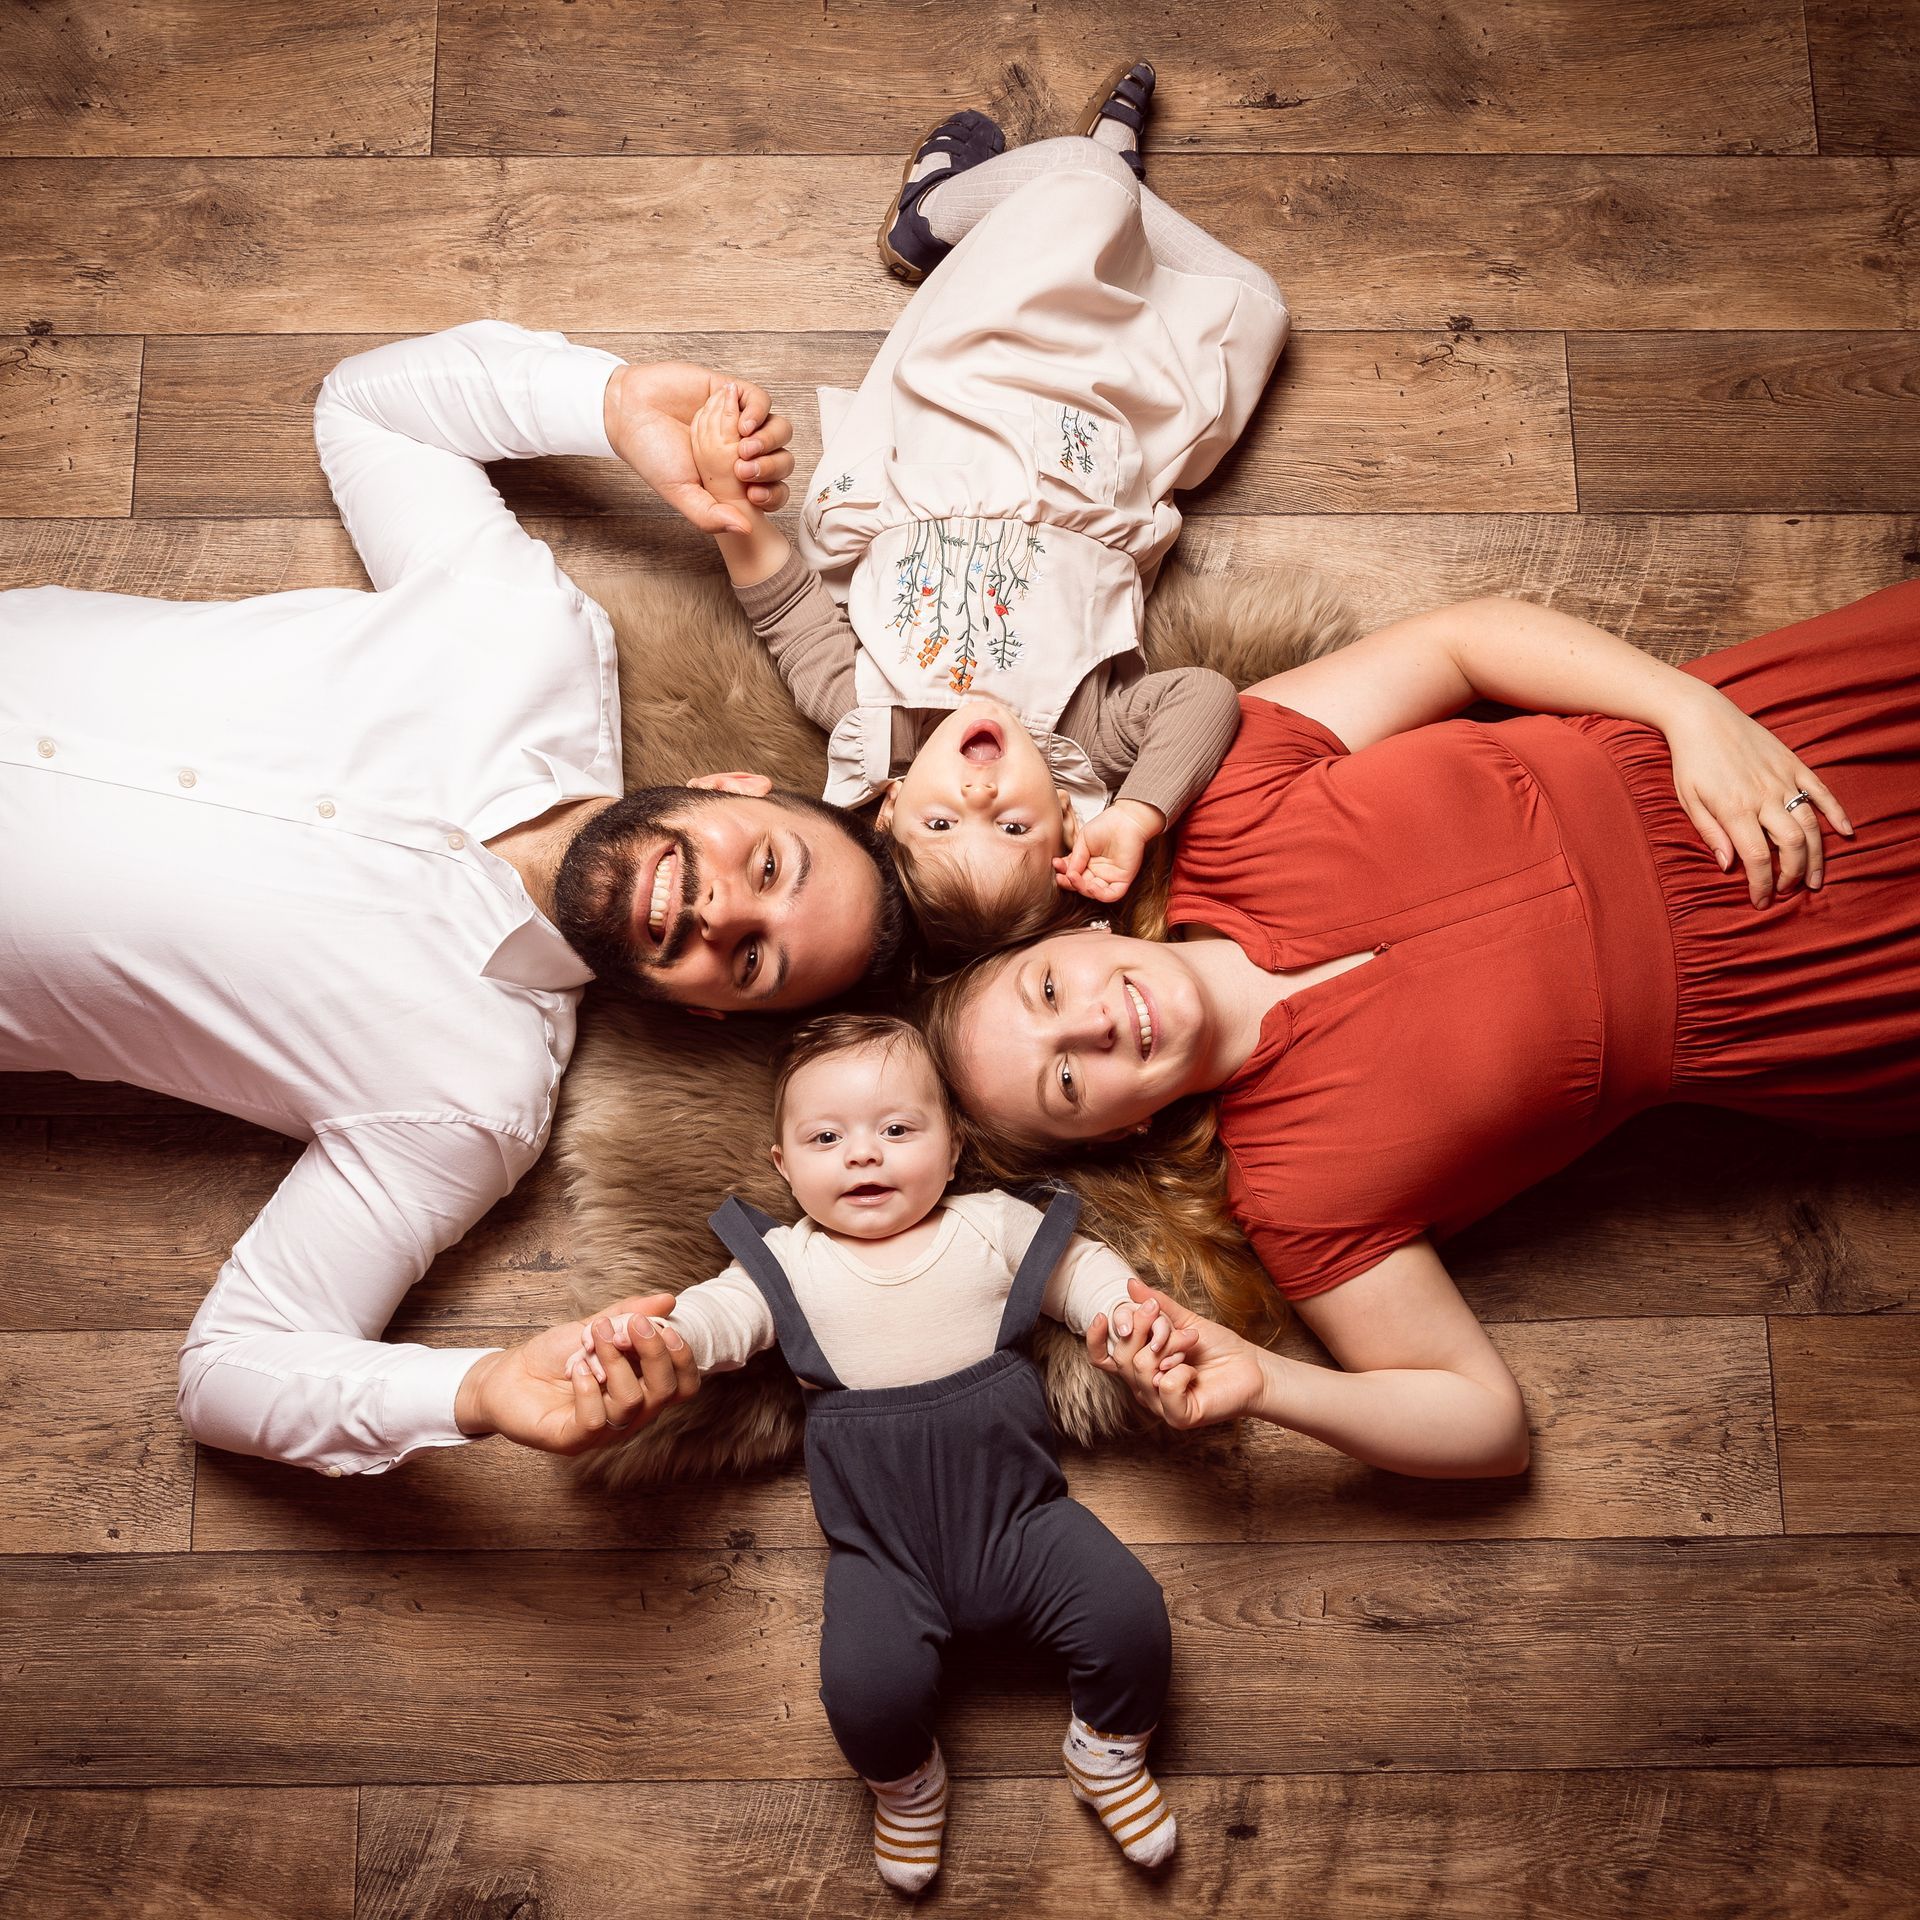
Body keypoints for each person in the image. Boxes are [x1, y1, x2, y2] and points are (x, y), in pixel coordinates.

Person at [0, 320, 909, 1478]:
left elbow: (229, 1372)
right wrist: (609, 403)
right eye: (771, 867)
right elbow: (367, 407)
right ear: (733, 785)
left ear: (706, 1010)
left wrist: (471, 1391)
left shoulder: (467, 1103)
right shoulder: (528, 637)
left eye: (753, 960)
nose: (726, 911)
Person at [923, 584, 1920, 1476]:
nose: (1093, 1024)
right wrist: (1267, 1383)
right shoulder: (1302, 1193)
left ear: (1077, 933)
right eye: (1065, 1083)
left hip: (1777, 732)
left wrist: (1688, 708)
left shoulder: (1228, 797)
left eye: (1047, 991)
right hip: (1829, 983)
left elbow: (1461, 643)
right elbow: (1485, 1426)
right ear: (1119, 1131)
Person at [682, 63, 1291, 956]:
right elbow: (1203, 699)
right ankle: (1080, 213)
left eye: (940, 826)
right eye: (1013, 828)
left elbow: (786, 613)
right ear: (1066, 823)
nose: (979, 797)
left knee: (1084, 182)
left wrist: (729, 505)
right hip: (1100, 447)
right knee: (1255, 306)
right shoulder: (1091, 737)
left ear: (890, 806)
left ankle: (938, 211)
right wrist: (1136, 814)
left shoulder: (864, 713)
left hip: (964, 415)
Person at [579, 1014, 1178, 1891]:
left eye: (898, 1129)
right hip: (881, 1556)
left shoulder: (988, 1225)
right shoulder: (790, 1261)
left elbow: (1079, 1269)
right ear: (784, 1166)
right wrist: (666, 1337)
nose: (863, 1154)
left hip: (1026, 1520)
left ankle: (1109, 1753)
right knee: (864, 1692)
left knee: (1129, 1617)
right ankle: (906, 1784)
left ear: (955, 1146)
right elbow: (721, 1318)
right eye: (826, 1138)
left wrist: (1119, 1313)